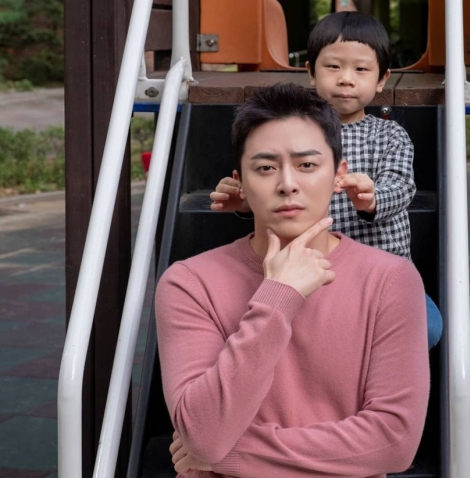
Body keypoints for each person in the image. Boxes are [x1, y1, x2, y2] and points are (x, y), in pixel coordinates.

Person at [156, 83, 430, 477]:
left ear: (338, 175)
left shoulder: (390, 279)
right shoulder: (190, 283)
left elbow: (394, 442)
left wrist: (229, 457)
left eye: (307, 165)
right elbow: (204, 433)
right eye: (265, 168)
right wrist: (277, 297)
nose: (287, 183)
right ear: (240, 183)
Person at [210, 12, 443, 349]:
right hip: (302, 267)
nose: (346, 79)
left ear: (382, 79)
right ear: (311, 72)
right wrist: (246, 203)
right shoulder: (293, 133)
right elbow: (277, 186)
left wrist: (373, 198)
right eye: (333, 67)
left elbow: (403, 186)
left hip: (377, 270)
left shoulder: (389, 135)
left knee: (428, 328)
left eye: (361, 69)